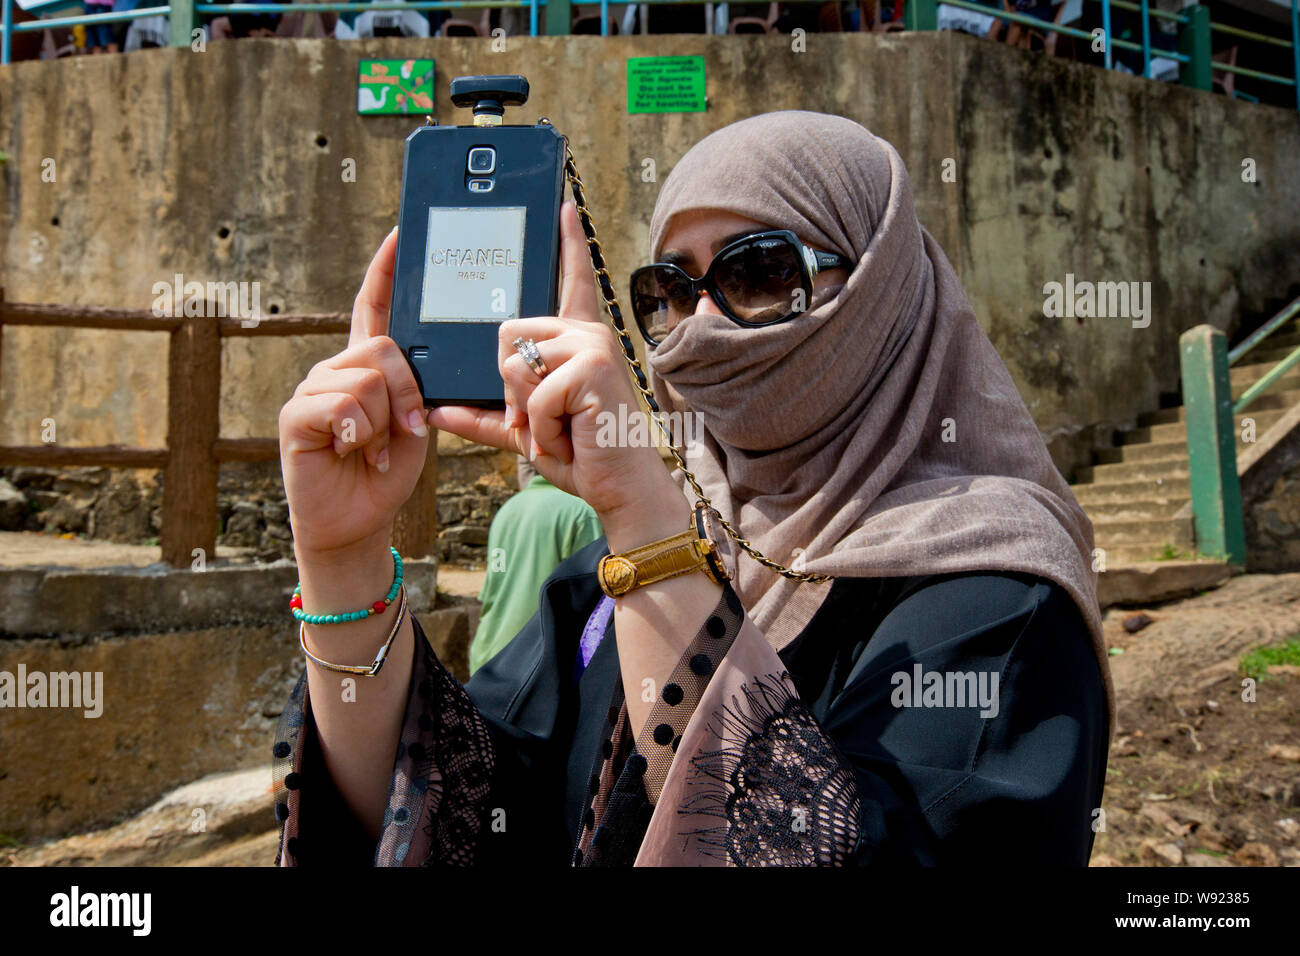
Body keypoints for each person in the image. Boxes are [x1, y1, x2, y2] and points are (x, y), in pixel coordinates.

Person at [272, 111, 1111, 867]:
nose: (702, 324)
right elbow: (464, 801)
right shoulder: (620, 570)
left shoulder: (994, 603)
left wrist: (645, 518)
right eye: (671, 290)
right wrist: (343, 559)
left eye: (758, 272)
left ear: (879, 293)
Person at [469, 455, 604, 676]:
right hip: (534, 668)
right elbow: (592, 605)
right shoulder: (581, 513)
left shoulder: (507, 510)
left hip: (488, 654)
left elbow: (494, 588)